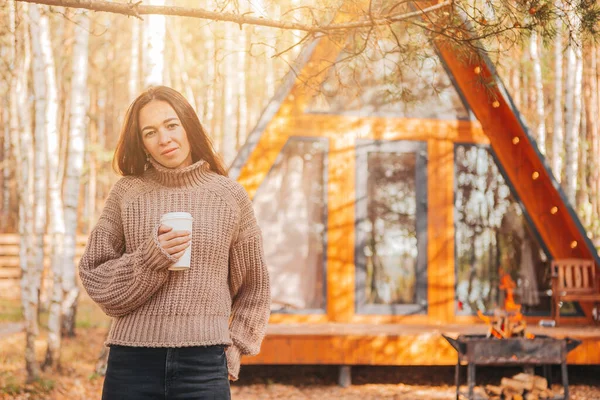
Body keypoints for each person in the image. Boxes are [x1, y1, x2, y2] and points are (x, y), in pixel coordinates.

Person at [78, 86, 271, 400]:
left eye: (171, 125)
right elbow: (95, 275)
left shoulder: (229, 196)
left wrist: (234, 349)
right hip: (131, 364)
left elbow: (256, 287)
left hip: (205, 366)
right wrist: (151, 259)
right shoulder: (127, 193)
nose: (164, 139)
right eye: (150, 132)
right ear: (142, 143)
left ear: (187, 125)